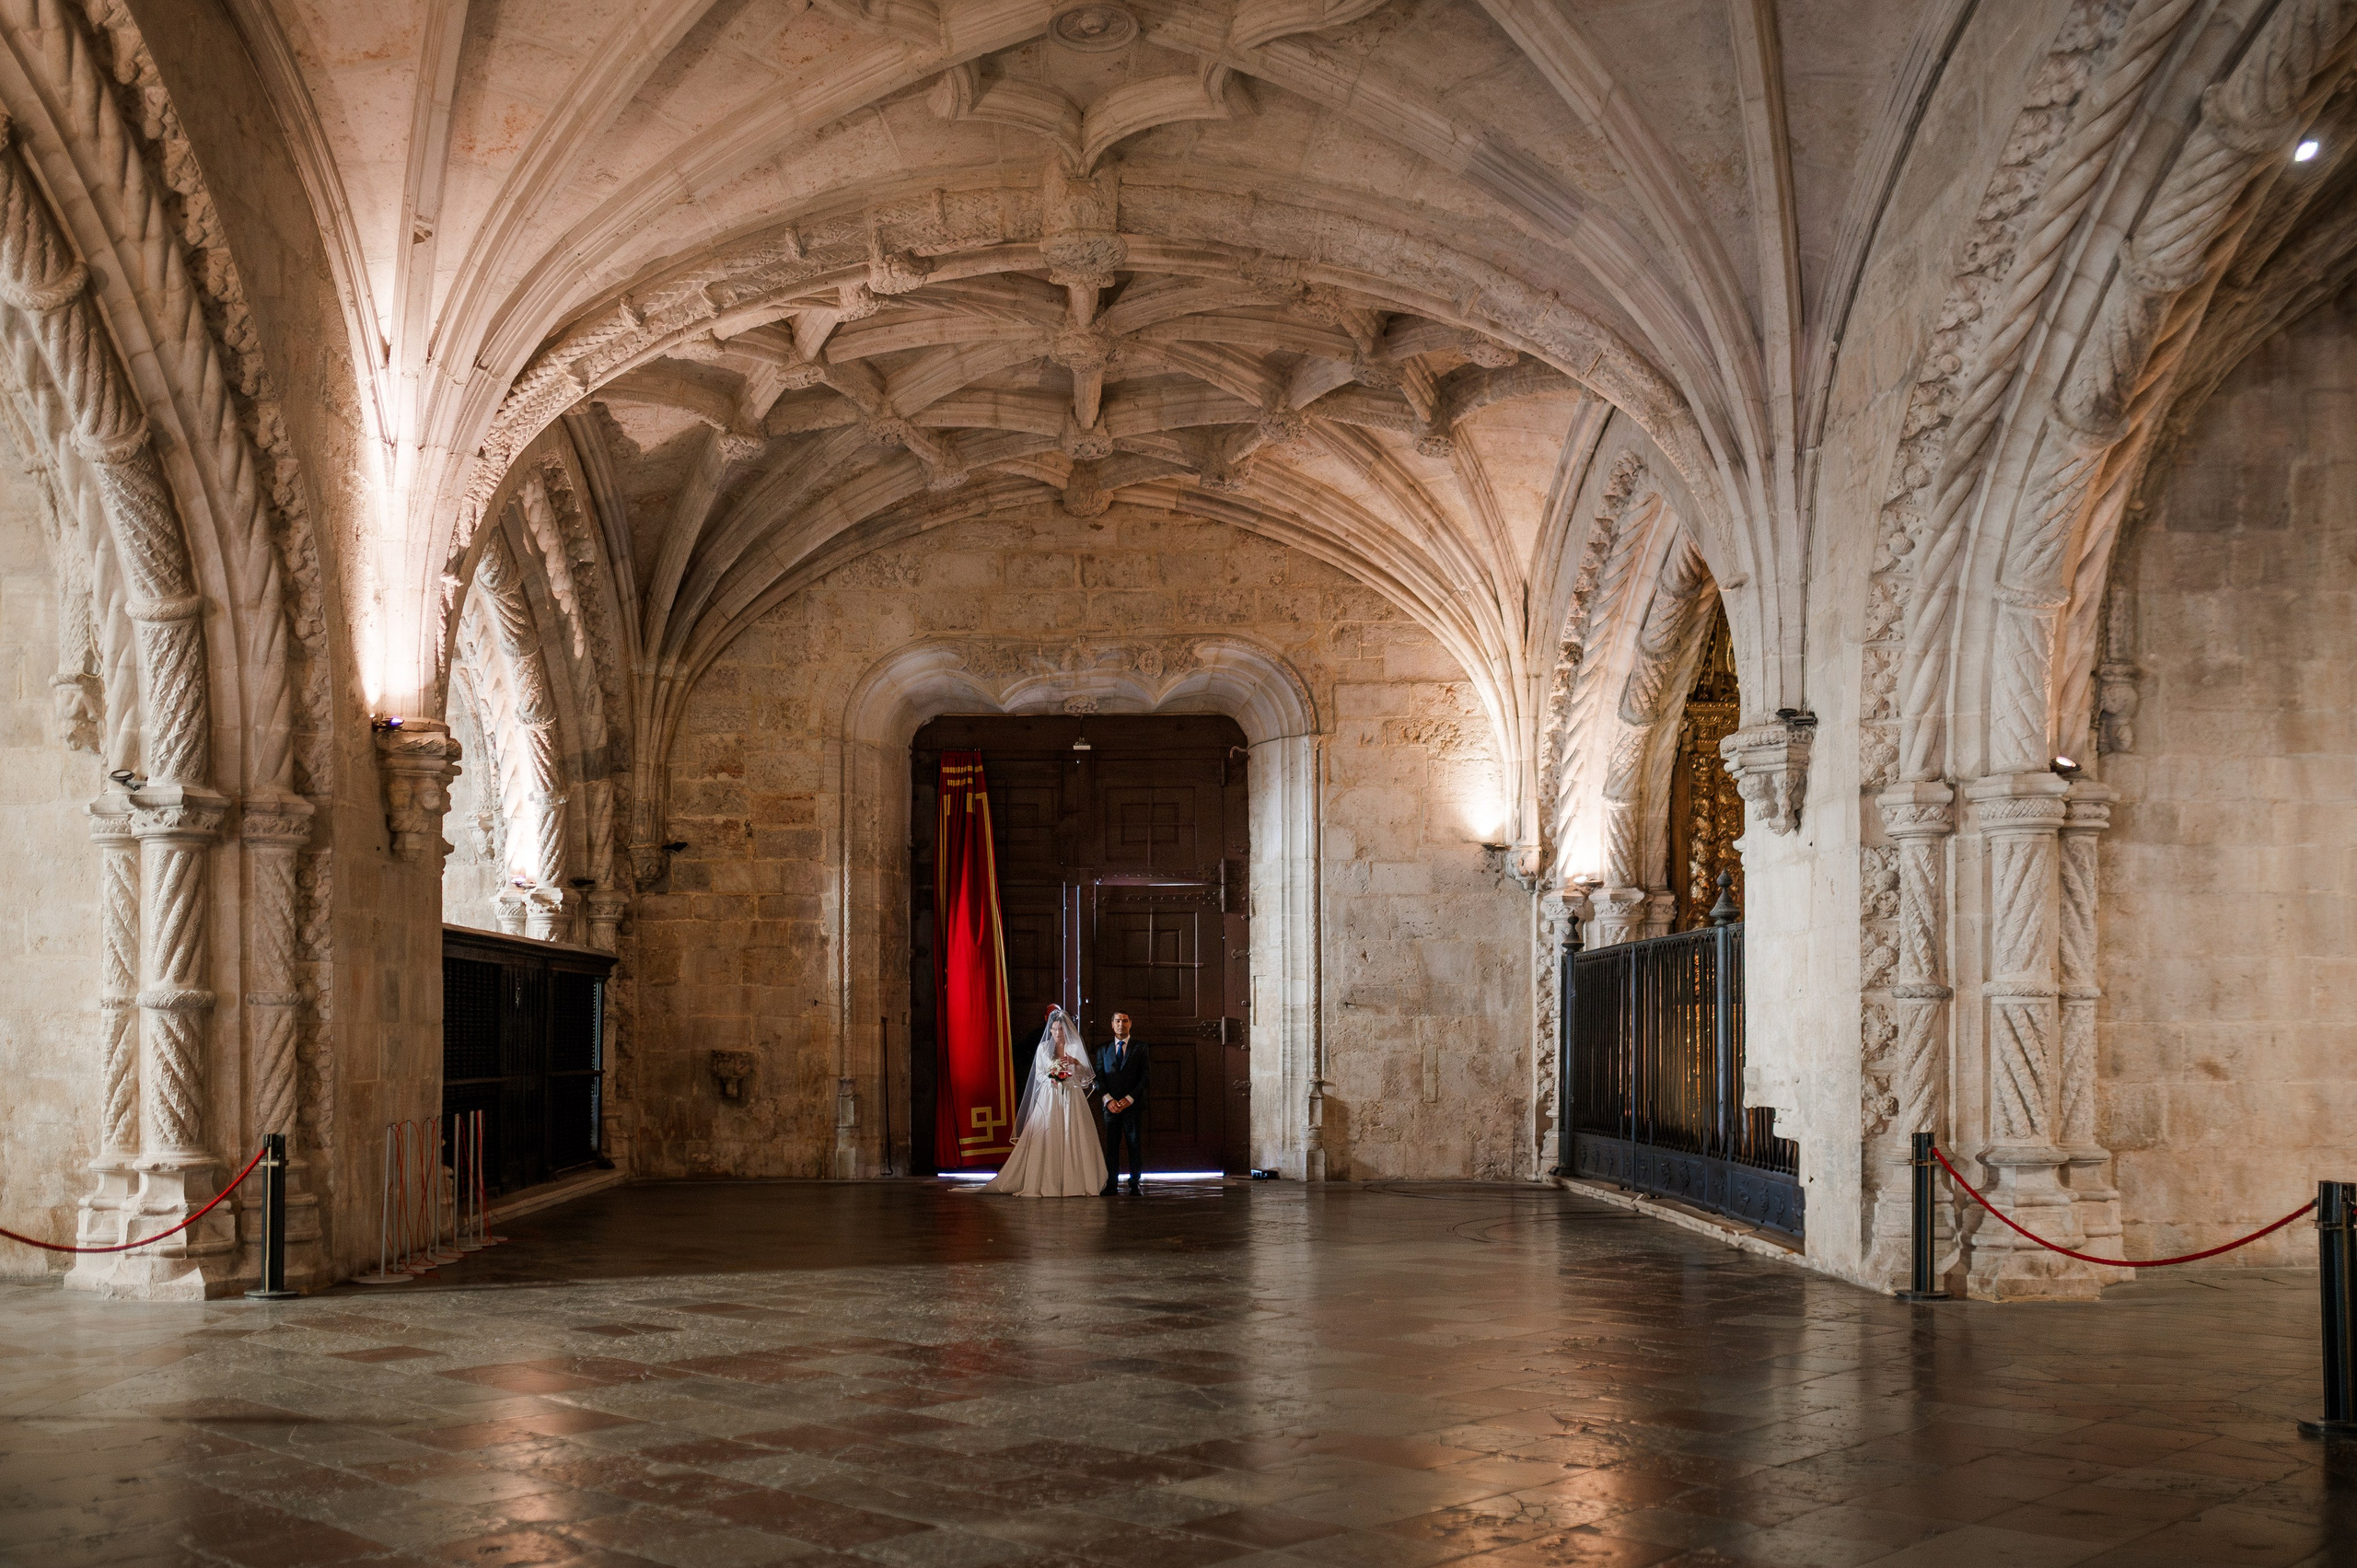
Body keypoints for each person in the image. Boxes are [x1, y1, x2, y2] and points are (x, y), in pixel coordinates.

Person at [979, 1006, 1108, 1197]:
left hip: (1071, 1096)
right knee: (1048, 1134)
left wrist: (1076, 1064)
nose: (1057, 1033)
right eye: (1054, 1029)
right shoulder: (1043, 1047)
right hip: (1049, 1096)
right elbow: (1039, 1075)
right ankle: (1047, 1181)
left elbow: (1085, 1077)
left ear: (1067, 1030)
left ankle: (1076, 1182)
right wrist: (1053, 1075)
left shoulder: (1074, 1047)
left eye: (1061, 1029)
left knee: (1072, 1134)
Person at [1096, 1011, 1150, 1195]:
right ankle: (1112, 1183)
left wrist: (1129, 1099)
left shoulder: (1140, 1047)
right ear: (1112, 1024)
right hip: (1110, 1107)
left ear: (1130, 1023)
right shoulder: (1103, 1049)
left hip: (1132, 1105)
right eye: (1117, 1021)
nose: (1121, 1024)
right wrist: (1108, 1099)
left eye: (1125, 1020)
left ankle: (1134, 1182)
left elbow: (1145, 1077)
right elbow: (1099, 1078)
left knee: (1134, 1143)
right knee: (1112, 1145)